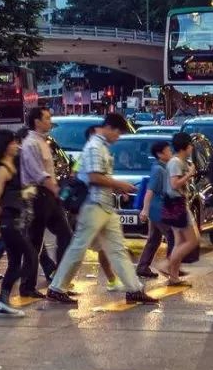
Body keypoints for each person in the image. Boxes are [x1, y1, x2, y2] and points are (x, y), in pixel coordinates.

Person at [46, 113, 157, 305]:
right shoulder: (95, 147)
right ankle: (57, 287)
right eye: (118, 134)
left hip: (104, 206)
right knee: (79, 248)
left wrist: (116, 187)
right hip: (93, 205)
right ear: (111, 128)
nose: (118, 138)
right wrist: (119, 184)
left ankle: (134, 289)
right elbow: (94, 177)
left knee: (117, 249)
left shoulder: (101, 147)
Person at [21, 107, 74, 285]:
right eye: (47, 118)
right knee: (35, 242)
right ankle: (27, 286)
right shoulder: (31, 144)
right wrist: (56, 189)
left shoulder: (45, 142)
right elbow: (39, 173)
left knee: (65, 235)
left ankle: (59, 279)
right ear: (37, 121)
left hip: (49, 196)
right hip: (38, 196)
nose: (50, 121)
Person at [0, 129, 34, 316]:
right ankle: (2, 299)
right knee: (30, 257)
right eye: (13, 143)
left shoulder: (14, 165)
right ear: (5, 146)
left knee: (15, 261)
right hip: (8, 221)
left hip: (17, 219)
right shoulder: (2, 170)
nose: (16, 146)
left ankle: (3, 301)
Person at [157, 132, 201, 286]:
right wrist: (189, 174)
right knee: (192, 240)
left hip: (176, 202)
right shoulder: (176, 162)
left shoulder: (179, 161)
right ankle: (167, 265)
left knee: (179, 241)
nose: (191, 148)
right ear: (186, 146)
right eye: (190, 145)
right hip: (177, 203)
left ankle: (173, 276)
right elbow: (175, 184)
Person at [136, 141, 174, 278]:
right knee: (172, 236)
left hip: (157, 208)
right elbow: (150, 191)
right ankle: (171, 267)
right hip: (159, 209)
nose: (171, 153)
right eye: (168, 150)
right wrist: (145, 210)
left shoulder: (162, 168)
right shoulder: (158, 169)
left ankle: (143, 266)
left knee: (154, 238)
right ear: (160, 154)